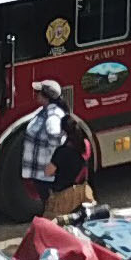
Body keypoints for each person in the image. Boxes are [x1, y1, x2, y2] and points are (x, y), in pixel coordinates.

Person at [11, 79, 90, 214]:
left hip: (45, 175)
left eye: (39, 93)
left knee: (51, 208)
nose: (36, 95)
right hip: (42, 173)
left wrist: (54, 160)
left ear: (46, 97)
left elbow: (55, 138)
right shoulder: (44, 111)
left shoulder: (52, 116)